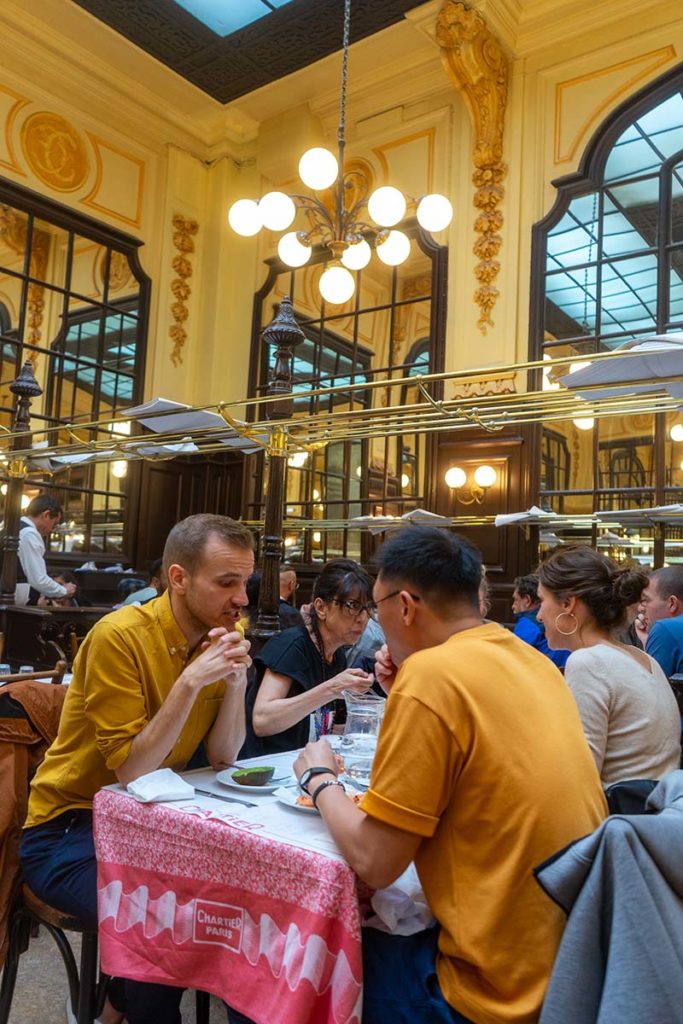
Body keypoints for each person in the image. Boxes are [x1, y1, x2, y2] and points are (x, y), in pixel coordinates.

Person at [293, 526, 607, 1024]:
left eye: (376, 606)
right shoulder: (532, 660)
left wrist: (320, 779)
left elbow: (377, 862)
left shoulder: (433, 676)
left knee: (298, 965)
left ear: (407, 606)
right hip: (574, 968)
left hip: (491, 993)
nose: (375, 621)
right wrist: (407, 690)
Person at [20, 514, 254, 1024]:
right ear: (179, 578)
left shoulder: (220, 634)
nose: (242, 599)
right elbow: (131, 769)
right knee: (164, 916)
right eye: (227, 582)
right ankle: (125, 1008)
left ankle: (117, 1005)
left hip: (148, 827)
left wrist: (235, 685)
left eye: (246, 583)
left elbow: (223, 757)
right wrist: (190, 683)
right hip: (68, 829)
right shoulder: (119, 636)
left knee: (237, 896)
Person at [537, 546, 681, 787]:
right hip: (652, 815)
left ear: (568, 604)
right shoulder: (642, 658)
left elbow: (579, 776)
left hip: (616, 818)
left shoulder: (589, 662)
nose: (539, 615)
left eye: (542, 600)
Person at [246, 558, 374, 755]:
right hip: (263, 771)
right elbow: (262, 720)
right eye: (352, 605)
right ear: (321, 608)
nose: (363, 618)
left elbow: (331, 729)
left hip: (301, 768)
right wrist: (333, 688)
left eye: (367, 607)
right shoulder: (292, 646)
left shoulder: (336, 655)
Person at [16, 494, 76, 607]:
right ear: (46, 515)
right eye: (54, 524)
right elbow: (38, 580)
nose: (52, 530)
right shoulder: (29, 534)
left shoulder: (15, 526)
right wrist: (64, 590)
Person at [512, 573, 569, 669]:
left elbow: (516, 662)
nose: (513, 606)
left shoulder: (526, 625)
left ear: (527, 600)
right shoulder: (567, 622)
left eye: (515, 600)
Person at [636, 567, 683, 677]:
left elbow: (649, 689)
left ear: (672, 603)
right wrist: (647, 641)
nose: (641, 608)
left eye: (645, 600)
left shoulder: (665, 629)